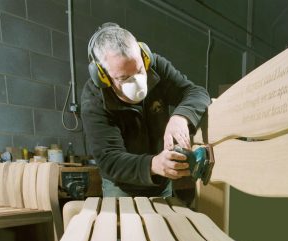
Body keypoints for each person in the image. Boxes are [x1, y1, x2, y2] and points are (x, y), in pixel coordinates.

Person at [81, 22, 211, 198]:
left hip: (162, 182)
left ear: (144, 56)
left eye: (139, 70)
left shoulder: (154, 66)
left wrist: (181, 116)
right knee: (124, 226)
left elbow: (197, 92)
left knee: (163, 224)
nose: (138, 83)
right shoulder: (94, 98)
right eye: (124, 78)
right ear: (102, 77)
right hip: (122, 187)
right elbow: (109, 160)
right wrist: (153, 164)